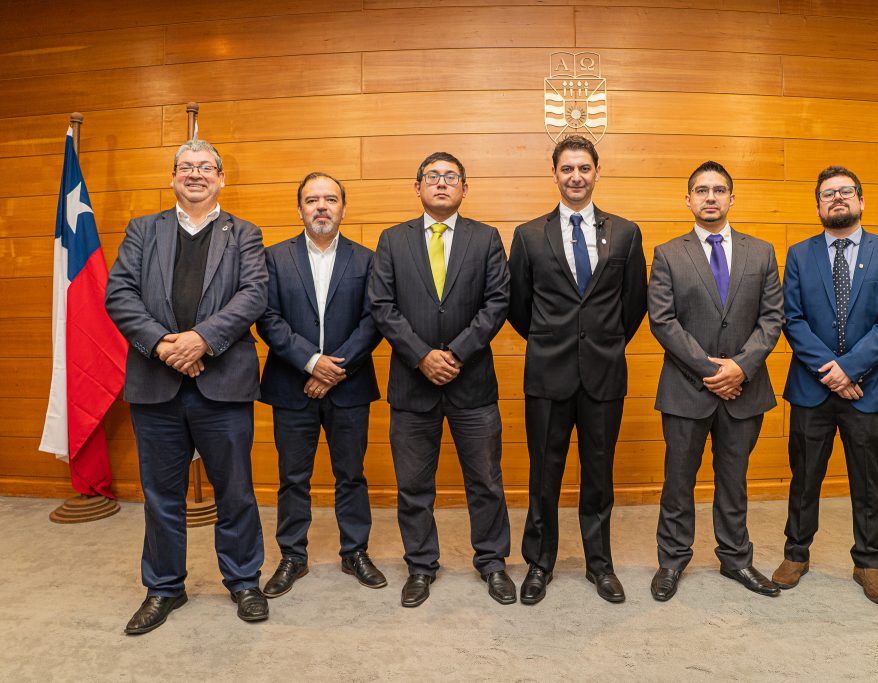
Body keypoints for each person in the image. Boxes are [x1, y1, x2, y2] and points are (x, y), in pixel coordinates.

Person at [106, 139, 269, 634]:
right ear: (173, 176)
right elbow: (120, 293)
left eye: (205, 167)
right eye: (185, 167)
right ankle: (163, 588)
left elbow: (253, 295)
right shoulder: (143, 230)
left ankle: (243, 581)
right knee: (161, 495)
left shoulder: (244, 233)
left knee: (235, 491)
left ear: (221, 177)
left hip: (224, 384)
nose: (195, 174)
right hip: (155, 383)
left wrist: (201, 340)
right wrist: (163, 345)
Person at [367, 152, 514, 607]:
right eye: (433, 176)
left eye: (451, 177)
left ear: (465, 188)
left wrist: (455, 353)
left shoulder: (486, 238)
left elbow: (497, 302)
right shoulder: (392, 240)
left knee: (486, 481)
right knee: (413, 485)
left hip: (473, 384)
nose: (442, 183)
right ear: (418, 187)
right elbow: (382, 306)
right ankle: (420, 566)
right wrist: (421, 356)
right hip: (412, 385)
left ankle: (492, 562)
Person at [508, 135, 647, 604]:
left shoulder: (625, 232)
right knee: (543, 476)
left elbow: (634, 303)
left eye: (584, 168)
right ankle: (539, 563)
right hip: (547, 375)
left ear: (597, 173)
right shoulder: (529, 235)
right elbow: (518, 307)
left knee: (599, 476)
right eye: (567, 169)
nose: (576, 177)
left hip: (604, 375)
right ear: (554, 174)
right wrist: (551, 340)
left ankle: (599, 564)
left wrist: (604, 341)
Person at [648, 161, 783, 602]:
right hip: (686, 390)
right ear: (687, 199)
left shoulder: (761, 252)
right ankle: (672, 560)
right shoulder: (668, 254)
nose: (710, 197)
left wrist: (740, 367)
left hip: (745, 390)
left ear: (731, 198)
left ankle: (736, 559)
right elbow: (663, 321)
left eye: (719, 190)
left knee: (734, 480)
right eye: (702, 190)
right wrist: (713, 372)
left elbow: (772, 318)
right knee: (678, 482)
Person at [773, 166, 878, 606]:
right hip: (811, 390)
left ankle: (868, 562)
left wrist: (849, 370)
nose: (837, 198)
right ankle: (796, 554)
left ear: (861, 201)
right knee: (804, 476)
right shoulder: (799, 254)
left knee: (868, 481)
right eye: (828, 194)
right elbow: (792, 319)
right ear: (818, 207)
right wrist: (830, 371)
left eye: (845, 191)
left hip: (867, 390)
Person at [256, 172, 385, 599]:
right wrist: (311, 363)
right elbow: (268, 319)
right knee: (293, 477)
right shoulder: (274, 258)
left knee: (352, 474)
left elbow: (373, 321)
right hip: (291, 386)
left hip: (350, 386)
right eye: (312, 200)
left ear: (343, 208)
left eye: (330, 199)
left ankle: (355, 552)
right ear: (300, 209)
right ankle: (293, 556)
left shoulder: (367, 260)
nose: (322, 207)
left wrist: (333, 369)